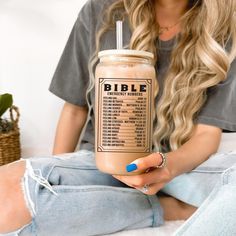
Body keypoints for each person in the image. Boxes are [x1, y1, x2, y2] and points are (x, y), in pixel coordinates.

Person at [0, 0, 236, 235]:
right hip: (103, 162)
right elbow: (74, 110)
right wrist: (59, 172)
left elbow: (207, 133)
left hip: (181, 168)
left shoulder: (224, 26)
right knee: (5, 194)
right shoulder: (101, 10)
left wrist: (166, 168)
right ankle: (165, 208)